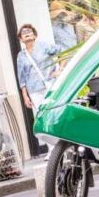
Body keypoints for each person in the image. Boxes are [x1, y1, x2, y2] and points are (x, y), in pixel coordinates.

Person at [16, 24, 61, 156]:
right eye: (24, 33)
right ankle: (51, 149)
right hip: (33, 90)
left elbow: (61, 51)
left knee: (53, 114)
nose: (27, 33)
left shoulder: (44, 46)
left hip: (49, 85)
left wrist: (59, 69)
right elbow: (21, 77)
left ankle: (61, 146)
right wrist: (25, 96)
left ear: (34, 35)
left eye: (30, 31)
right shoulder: (21, 56)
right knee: (41, 117)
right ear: (20, 38)